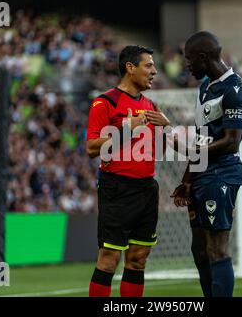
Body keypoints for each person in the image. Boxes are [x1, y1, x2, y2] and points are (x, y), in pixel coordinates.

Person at [168, 31, 242, 297]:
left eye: (189, 60)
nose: (187, 66)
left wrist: (192, 149)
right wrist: (187, 179)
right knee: (199, 250)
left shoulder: (233, 89)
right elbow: (203, 137)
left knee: (216, 248)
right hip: (202, 174)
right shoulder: (205, 88)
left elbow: (231, 142)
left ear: (203, 57)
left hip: (222, 173)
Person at [86, 45, 170, 297]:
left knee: (138, 258)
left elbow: (161, 151)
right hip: (117, 187)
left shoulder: (150, 104)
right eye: (148, 66)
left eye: (154, 66)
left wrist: (166, 127)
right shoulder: (105, 102)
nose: (154, 71)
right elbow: (91, 148)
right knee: (110, 257)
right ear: (130, 68)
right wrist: (126, 128)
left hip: (146, 188)